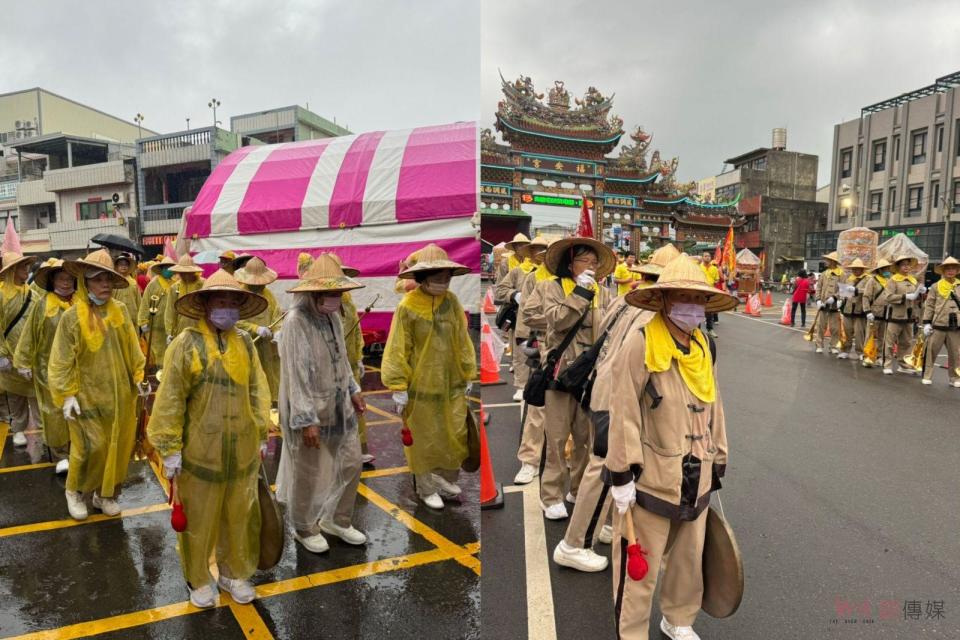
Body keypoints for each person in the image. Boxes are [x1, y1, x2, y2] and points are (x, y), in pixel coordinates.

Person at [605, 254, 736, 640]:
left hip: (697, 468)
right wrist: (622, 473)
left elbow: (715, 404)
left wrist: (720, 456)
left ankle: (678, 618)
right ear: (663, 300)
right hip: (652, 472)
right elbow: (624, 406)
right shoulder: (641, 341)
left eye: (697, 300)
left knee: (687, 558)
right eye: (681, 297)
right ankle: (630, 633)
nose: (690, 307)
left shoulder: (704, 345)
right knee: (638, 565)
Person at [552, 243, 678, 573]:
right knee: (606, 469)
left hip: (599, 389)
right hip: (616, 398)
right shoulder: (655, 310)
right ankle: (574, 544)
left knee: (608, 467)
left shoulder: (628, 298)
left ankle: (605, 525)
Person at [148, 269, 270, 609]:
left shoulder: (245, 342)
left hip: (241, 449)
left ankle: (234, 572)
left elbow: (258, 388)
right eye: (221, 300)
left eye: (233, 302)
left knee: (240, 514)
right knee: (199, 518)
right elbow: (170, 397)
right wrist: (170, 448)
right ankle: (198, 578)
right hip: (199, 451)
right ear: (205, 304)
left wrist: (261, 431)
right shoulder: (186, 344)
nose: (227, 308)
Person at [276, 254, 368, 552]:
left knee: (351, 462)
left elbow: (342, 359)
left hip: (339, 404)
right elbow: (295, 375)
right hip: (310, 411)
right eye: (330, 294)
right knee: (309, 471)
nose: (335, 299)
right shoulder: (295, 322)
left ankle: (337, 520)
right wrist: (306, 420)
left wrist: (353, 388)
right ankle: (304, 527)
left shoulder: (333, 319)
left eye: (338, 294)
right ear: (313, 293)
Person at [48, 250, 146, 520]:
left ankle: (105, 495)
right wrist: (67, 394)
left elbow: (132, 347)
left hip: (120, 398)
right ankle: (75, 491)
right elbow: (60, 360)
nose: (104, 285)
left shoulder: (121, 311)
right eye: (97, 279)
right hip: (85, 397)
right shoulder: (71, 318)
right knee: (88, 448)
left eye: (108, 279)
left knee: (118, 447)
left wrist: (139, 376)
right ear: (85, 282)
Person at [381, 244, 476, 509]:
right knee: (422, 438)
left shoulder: (452, 302)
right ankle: (425, 487)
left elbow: (462, 338)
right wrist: (398, 384)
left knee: (453, 434)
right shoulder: (407, 306)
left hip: (451, 383)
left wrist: (468, 371)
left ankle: (443, 480)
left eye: (445, 275)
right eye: (435, 275)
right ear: (422, 277)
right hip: (419, 386)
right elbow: (398, 346)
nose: (442, 281)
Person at [538, 236, 615, 520]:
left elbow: (610, 326)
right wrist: (580, 294)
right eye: (585, 260)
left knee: (585, 437)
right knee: (557, 437)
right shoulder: (553, 287)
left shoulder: (603, 292)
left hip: (591, 374)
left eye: (595, 262)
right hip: (562, 372)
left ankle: (578, 486)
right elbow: (557, 320)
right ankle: (551, 495)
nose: (591, 266)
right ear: (570, 263)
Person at [13, 259, 75, 473]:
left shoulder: (82, 304)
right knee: (54, 413)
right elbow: (29, 333)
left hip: (79, 371)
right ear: (52, 280)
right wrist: (23, 361)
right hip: (47, 370)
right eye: (60, 278)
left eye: (69, 278)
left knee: (78, 412)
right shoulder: (43, 304)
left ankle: (78, 450)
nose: (66, 283)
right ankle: (60, 454)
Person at [327, 253, 374, 464]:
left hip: (349, 366)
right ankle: (336, 452)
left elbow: (356, 332)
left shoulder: (348, 303)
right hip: (329, 368)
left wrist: (359, 358)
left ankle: (355, 449)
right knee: (334, 411)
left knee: (355, 408)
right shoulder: (323, 306)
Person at [513, 236, 551, 485]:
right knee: (538, 409)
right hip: (546, 348)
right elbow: (529, 313)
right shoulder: (532, 278)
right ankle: (529, 461)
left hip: (580, 359)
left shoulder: (589, 285)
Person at [0, 251, 39, 448]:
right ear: (12, 270)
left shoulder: (32, 293)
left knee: (37, 396)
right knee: (15, 398)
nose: (26, 270)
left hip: (31, 357)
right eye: (22, 267)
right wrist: (1, 354)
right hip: (8, 357)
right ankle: (18, 430)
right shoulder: (0, 295)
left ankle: (46, 432)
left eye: (26, 266)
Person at [234, 257, 282, 405]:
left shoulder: (269, 295)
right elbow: (235, 321)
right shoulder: (239, 295)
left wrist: (278, 331)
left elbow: (277, 315)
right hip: (247, 344)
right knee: (251, 379)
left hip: (268, 347)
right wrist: (255, 328)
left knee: (271, 378)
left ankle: (272, 406)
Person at [494, 239, 537, 402]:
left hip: (545, 319)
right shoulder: (516, 270)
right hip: (522, 316)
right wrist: (514, 295)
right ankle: (521, 385)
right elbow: (500, 289)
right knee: (521, 352)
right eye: (535, 250)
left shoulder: (553, 273)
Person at [878, 254, 925, 375]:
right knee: (889, 342)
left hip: (909, 316)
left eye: (908, 264)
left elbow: (917, 300)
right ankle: (887, 364)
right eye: (903, 264)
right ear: (898, 267)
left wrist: (920, 293)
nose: (906, 267)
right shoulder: (893, 280)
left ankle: (903, 364)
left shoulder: (913, 280)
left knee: (907, 342)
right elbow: (888, 297)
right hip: (895, 315)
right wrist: (904, 297)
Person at [921, 256, 960, 386]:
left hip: (954, 326)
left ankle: (954, 378)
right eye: (947, 268)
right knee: (931, 351)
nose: (950, 271)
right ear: (943, 271)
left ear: (957, 271)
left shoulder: (959, 286)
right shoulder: (935, 286)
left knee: (955, 354)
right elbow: (930, 305)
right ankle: (927, 375)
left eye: (953, 268)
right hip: (938, 325)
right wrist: (926, 322)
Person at [138, 256, 175, 372]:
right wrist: (143, 320)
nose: (168, 270)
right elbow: (145, 302)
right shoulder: (153, 284)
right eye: (166, 268)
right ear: (162, 269)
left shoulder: (175, 284)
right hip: (154, 326)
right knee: (155, 351)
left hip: (169, 326)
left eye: (170, 267)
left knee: (169, 351)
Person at [164, 254, 205, 342]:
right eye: (182, 272)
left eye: (187, 272)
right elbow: (170, 310)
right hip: (180, 329)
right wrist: (169, 332)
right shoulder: (175, 287)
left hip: (201, 328)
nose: (185, 274)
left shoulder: (203, 284)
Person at [861, 259, 891, 368]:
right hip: (873, 313)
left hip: (886, 313)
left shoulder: (890, 280)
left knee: (883, 337)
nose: (887, 270)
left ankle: (878, 356)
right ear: (880, 270)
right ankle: (867, 356)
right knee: (870, 336)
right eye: (885, 268)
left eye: (888, 268)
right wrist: (867, 311)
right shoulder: (872, 281)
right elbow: (866, 297)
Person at [837, 258, 869, 360]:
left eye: (858, 269)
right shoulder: (849, 279)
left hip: (860, 309)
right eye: (854, 269)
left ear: (862, 269)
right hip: (848, 308)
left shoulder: (868, 279)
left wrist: (857, 290)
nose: (855, 271)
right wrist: (841, 300)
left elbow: (868, 291)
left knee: (859, 332)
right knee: (847, 331)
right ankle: (845, 350)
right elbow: (844, 293)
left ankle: (860, 352)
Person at [814, 251, 843, 354]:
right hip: (823, 303)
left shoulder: (841, 274)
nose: (826, 261)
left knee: (835, 328)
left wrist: (835, 298)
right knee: (821, 326)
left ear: (833, 261)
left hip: (834, 305)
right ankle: (819, 344)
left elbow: (844, 289)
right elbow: (819, 288)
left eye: (828, 260)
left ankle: (833, 346)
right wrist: (817, 300)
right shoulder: (824, 274)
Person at [113, 253, 142, 327]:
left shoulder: (133, 282)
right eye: (121, 264)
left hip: (132, 317)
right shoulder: (113, 282)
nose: (123, 266)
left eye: (126, 264)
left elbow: (138, 301)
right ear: (116, 266)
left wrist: (140, 317)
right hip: (117, 316)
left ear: (129, 267)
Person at [699, 253, 720, 339]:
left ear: (710, 258)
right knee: (698, 310)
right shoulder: (698, 267)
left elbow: (717, 279)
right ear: (702, 257)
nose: (707, 257)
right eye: (705, 256)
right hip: (700, 292)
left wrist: (713, 283)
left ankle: (710, 329)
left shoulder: (714, 268)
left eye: (708, 256)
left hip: (710, 292)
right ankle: (696, 330)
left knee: (709, 311)